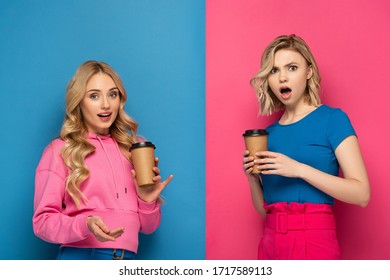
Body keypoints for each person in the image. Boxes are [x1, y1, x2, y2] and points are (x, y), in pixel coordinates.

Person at [243, 34, 370, 260]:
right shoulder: (267, 135)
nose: (282, 77)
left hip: (314, 242)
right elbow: (266, 211)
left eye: (292, 68)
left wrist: (298, 169)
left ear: (308, 72)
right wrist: (252, 178)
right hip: (271, 242)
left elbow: (361, 194)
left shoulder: (333, 120)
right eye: (274, 70)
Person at [33, 60, 173, 260]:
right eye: (94, 96)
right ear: (79, 101)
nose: (106, 104)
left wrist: (147, 200)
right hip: (81, 257)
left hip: (126, 259)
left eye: (112, 94)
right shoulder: (60, 150)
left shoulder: (133, 149)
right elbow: (42, 222)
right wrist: (85, 224)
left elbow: (148, 228)